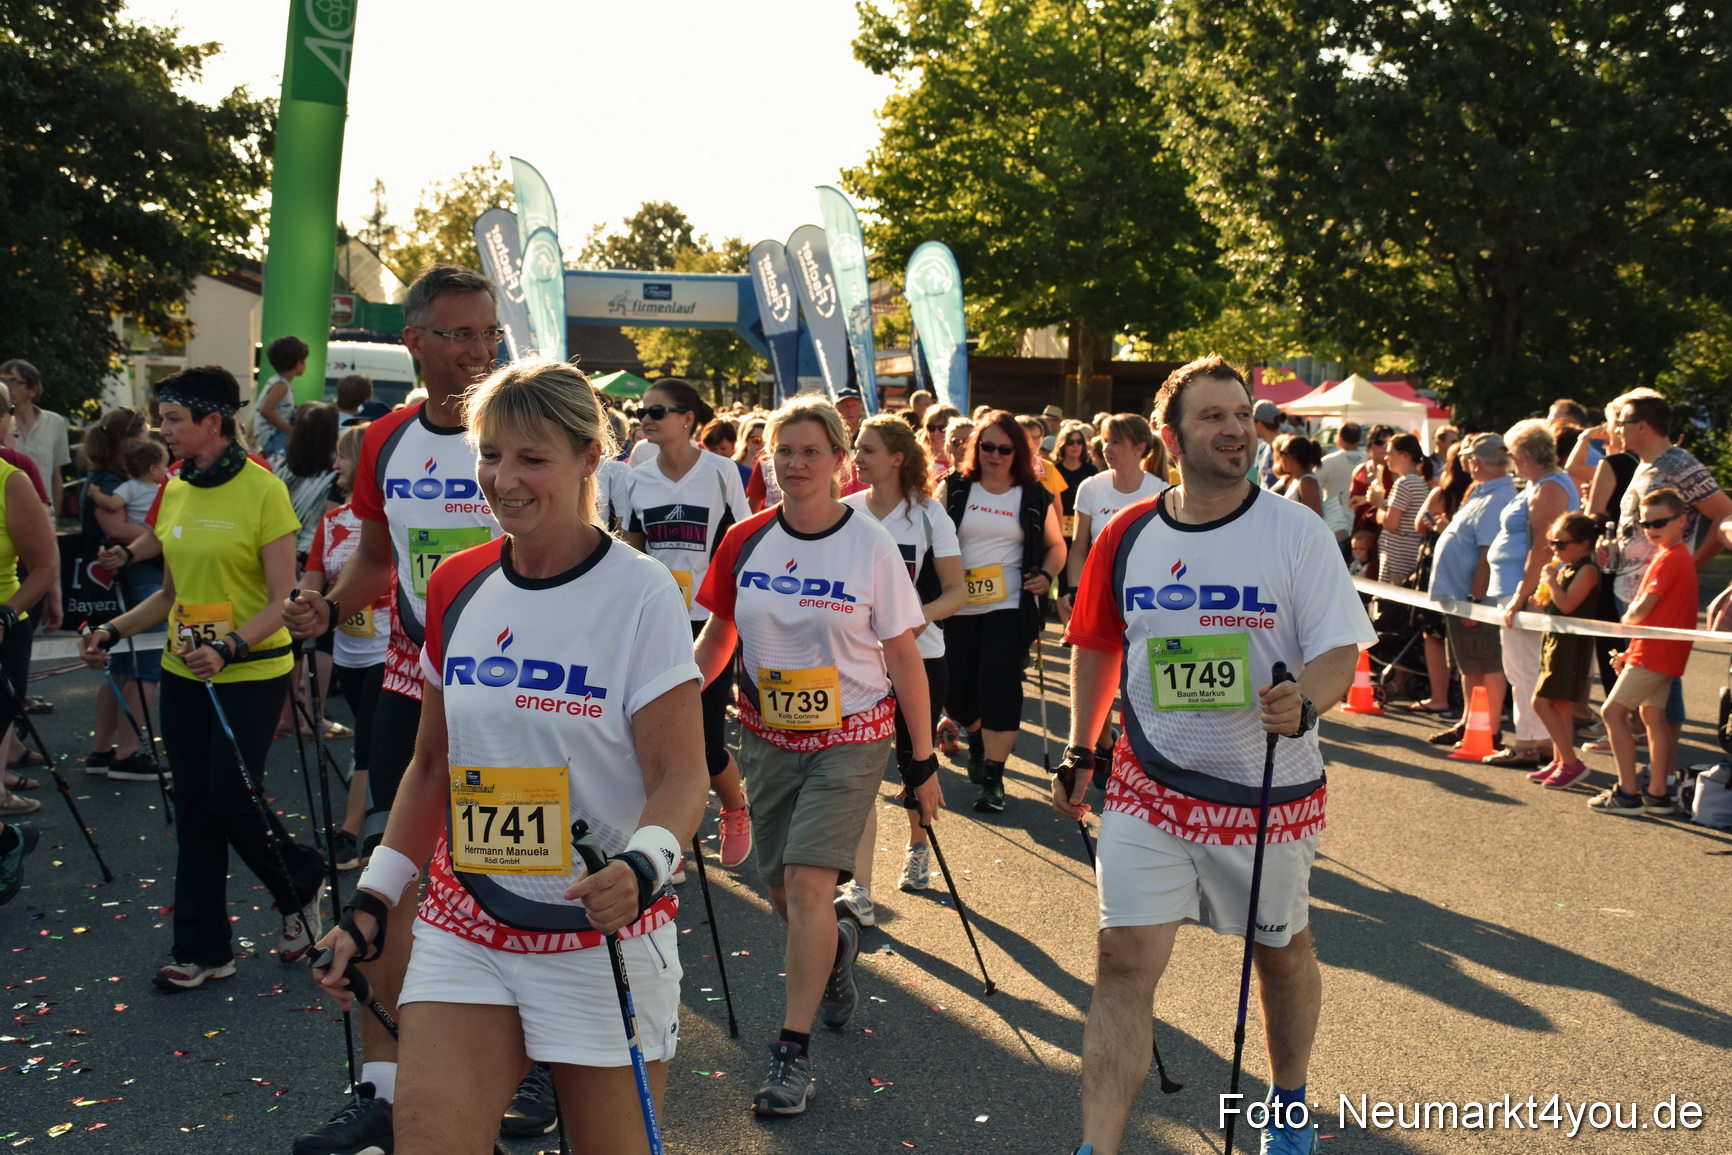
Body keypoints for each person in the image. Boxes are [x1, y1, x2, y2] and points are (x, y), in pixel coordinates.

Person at [309, 358, 708, 1155]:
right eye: (491, 454)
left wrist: (640, 866)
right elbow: (432, 767)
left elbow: (679, 773)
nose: (504, 478)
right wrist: (372, 902)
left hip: (599, 932)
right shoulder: (456, 582)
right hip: (469, 923)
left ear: (591, 458)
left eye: (532, 458)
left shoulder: (641, 592)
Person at [1055, 355, 1372, 1155]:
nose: (1236, 428)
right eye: (1213, 416)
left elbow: (1341, 651)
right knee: (1123, 960)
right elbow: (1096, 645)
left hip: (1267, 790)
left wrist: (1306, 698)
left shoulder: (1295, 531)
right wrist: (1081, 747)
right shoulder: (1129, 534)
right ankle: (1098, 1146)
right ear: (1171, 437)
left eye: (1242, 413)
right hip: (1151, 784)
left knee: (1281, 957)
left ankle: (1288, 1109)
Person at [283, 265, 522, 1155]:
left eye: (488, 333)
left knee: (508, 867)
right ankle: (383, 1089)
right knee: (395, 878)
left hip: (513, 688)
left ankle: (525, 1062)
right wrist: (331, 605)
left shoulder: (523, 428)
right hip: (411, 680)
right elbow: (380, 563)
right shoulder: (383, 439)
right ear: (414, 340)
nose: (478, 350)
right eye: (460, 333)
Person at [691, 395, 939, 1117]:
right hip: (768, 736)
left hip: (852, 735)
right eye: (783, 451)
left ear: (839, 460)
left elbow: (904, 654)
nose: (795, 464)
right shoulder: (744, 539)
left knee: (805, 886)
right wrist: (663, 693)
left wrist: (920, 762)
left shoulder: (869, 544)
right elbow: (717, 639)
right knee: (783, 892)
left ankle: (791, 1054)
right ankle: (836, 950)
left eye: (810, 451)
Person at [76, 366, 325, 990]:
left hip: (252, 668)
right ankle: (204, 949)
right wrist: (112, 631)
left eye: (174, 420)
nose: (164, 430)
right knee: (193, 807)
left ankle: (299, 878)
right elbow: (170, 594)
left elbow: (280, 599)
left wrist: (233, 646)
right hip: (184, 667)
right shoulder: (178, 486)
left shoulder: (263, 490)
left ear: (213, 422)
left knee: (229, 800)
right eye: (162, 418)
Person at [622, 379, 754, 866]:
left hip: (709, 624)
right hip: (657, 622)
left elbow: (742, 544)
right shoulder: (635, 477)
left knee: (704, 743)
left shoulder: (721, 473)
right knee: (647, 740)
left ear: (688, 419)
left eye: (659, 410)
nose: (647, 418)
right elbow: (631, 552)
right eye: (643, 410)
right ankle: (665, 846)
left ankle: (735, 808)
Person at [839, 414, 966, 918]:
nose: (857, 457)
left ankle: (918, 848)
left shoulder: (931, 514)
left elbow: (957, 591)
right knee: (857, 770)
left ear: (897, 457)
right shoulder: (844, 511)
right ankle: (859, 887)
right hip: (855, 662)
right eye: (856, 448)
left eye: (867, 449)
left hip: (920, 657)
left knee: (916, 761)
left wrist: (916, 618)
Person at [938, 412, 1066, 812]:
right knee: (953, 689)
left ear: (1019, 452)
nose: (994, 455)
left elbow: (1056, 546)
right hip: (956, 604)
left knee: (1000, 687)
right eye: (986, 446)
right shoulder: (955, 488)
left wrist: (1046, 574)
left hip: (1008, 607)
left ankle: (994, 777)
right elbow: (931, 537)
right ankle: (974, 735)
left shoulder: (1032, 495)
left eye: (1004, 449)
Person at [1600, 391, 1732, 765]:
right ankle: (1660, 776)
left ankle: (1666, 775)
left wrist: (1692, 564)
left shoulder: (1679, 463)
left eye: (1622, 422)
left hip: (1658, 597)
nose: (1616, 430)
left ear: (1642, 426)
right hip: (1633, 589)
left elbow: (1724, 513)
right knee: (1651, 699)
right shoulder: (1643, 464)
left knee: (1663, 688)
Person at [301, 422, 390, 871]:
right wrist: (300, 608)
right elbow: (312, 579)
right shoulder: (332, 521)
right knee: (372, 740)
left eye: (344, 456)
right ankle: (384, 814)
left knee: (369, 744)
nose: (336, 463)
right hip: (348, 652)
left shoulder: (394, 517)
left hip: (390, 649)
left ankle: (353, 833)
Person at [1591, 488, 1697, 816]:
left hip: (1654, 652)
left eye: (1659, 522)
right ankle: (1658, 793)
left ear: (1682, 521)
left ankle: (1628, 793)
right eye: (1645, 523)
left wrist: (1627, 621)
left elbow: (1643, 609)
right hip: (1656, 650)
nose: (1651, 529)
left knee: (1612, 713)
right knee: (1653, 717)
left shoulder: (1670, 556)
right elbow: (1657, 614)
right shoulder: (1671, 554)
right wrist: (1630, 649)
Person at [1488, 420, 1580, 769]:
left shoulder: (1549, 488)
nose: (1510, 459)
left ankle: (1530, 743)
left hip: (1525, 593)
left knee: (1524, 668)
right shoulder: (1541, 485)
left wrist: (1520, 594)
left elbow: (1543, 547)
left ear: (1525, 455)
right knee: (1520, 668)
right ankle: (1532, 739)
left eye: (1511, 453)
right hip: (1518, 589)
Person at [1424, 433, 1516, 750]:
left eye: (1468, 458)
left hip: (1475, 599)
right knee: (1470, 664)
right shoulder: (1484, 492)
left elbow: (1487, 555)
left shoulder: (1496, 498)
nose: (1465, 464)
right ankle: (1470, 722)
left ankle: (1487, 729)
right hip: (1463, 597)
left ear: (1476, 462)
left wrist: (1475, 600)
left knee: (1486, 663)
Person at [1526, 512, 1601, 789]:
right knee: (1560, 708)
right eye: (1552, 544)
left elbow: (1569, 605)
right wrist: (1545, 599)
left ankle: (1571, 763)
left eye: (1561, 544)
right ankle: (1560, 761)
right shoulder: (1569, 567)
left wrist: (1552, 581)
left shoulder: (1587, 569)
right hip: (1556, 640)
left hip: (1571, 646)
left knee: (1540, 702)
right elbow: (1559, 606)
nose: (1555, 550)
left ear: (1583, 543)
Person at [0, 360, 70, 517]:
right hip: (8, 512)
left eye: (12, 380)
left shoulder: (54, 422)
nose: (5, 385)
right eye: (1, 380)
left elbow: (56, 475)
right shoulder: (2, 425)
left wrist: (55, 516)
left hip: (45, 512)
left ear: (33, 389)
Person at [1372, 433, 1429, 587]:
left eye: (1390, 453)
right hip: (1406, 554)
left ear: (1405, 455)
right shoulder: (1418, 481)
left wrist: (1378, 501)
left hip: (1398, 558)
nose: (1386, 457)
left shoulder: (1405, 483)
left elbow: (1391, 523)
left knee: (1389, 606)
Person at [251, 336, 309, 461]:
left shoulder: (278, 382)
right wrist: (288, 429)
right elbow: (265, 410)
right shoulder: (281, 385)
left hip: (272, 434)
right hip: (274, 435)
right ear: (298, 364)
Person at [1347, 425, 1395, 573]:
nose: (1384, 448)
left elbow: (1397, 503)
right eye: (1380, 443)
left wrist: (1368, 500)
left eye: (1388, 444)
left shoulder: (1393, 473)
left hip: (1381, 534)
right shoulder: (1360, 470)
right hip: (1360, 532)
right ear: (1370, 445)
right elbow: (1351, 504)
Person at [1315, 421, 1365, 544]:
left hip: (1336, 523)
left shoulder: (1328, 462)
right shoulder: (1370, 460)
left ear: (1339, 437)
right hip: (1362, 523)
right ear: (1359, 438)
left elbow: (1312, 482)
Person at [1052, 420, 1099, 541]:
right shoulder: (1054, 470)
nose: (1075, 445)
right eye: (1070, 442)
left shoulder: (1091, 470)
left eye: (1079, 442)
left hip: (1084, 525)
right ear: (1063, 444)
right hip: (1057, 526)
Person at [1273, 433, 1324, 516]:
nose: (1280, 457)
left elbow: (1315, 517)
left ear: (1293, 455)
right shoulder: (1298, 479)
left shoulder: (1307, 482)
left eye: (1282, 452)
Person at [1251, 399, 1283, 488]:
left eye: (1253, 421)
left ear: (1260, 424)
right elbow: (1260, 481)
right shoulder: (1262, 448)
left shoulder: (1287, 448)